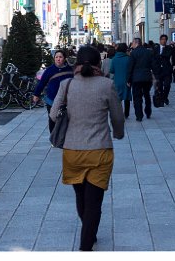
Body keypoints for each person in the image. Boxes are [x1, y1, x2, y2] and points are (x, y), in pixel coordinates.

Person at [50, 46, 124, 251]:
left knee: (81, 197)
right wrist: (118, 134)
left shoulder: (67, 84)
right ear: (98, 64)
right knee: (94, 202)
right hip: (100, 150)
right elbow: (117, 116)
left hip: (72, 151)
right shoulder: (107, 85)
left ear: (76, 63)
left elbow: (54, 114)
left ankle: (88, 232)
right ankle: (86, 245)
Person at [33, 50, 75, 131]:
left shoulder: (70, 70)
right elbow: (42, 83)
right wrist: (36, 94)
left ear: (64, 58)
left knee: (66, 121)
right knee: (53, 119)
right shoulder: (50, 70)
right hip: (51, 100)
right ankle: (53, 138)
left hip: (67, 101)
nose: (58, 59)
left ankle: (63, 139)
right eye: (56, 57)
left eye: (60, 57)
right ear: (54, 59)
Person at [127, 38, 155, 121]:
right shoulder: (149, 52)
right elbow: (153, 65)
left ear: (136, 43)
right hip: (147, 77)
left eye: (133, 43)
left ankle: (139, 115)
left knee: (137, 97)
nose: (132, 45)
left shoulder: (133, 53)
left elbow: (130, 67)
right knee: (147, 95)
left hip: (136, 78)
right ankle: (148, 111)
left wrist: (128, 80)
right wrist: (155, 76)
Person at [108, 42, 132, 118]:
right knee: (126, 97)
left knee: (118, 98)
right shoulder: (128, 59)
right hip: (126, 81)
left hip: (117, 80)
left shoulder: (114, 59)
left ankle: (119, 112)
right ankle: (126, 114)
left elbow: (111, 70)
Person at [152, 34, 174, 107]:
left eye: (165, 39)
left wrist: (160, 55)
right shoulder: (156, 48)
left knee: (167, 85)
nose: (164, 41)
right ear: (160, 40)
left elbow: (167, 55)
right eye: (162, 39)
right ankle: (161, 99)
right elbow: (153, 58)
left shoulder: (169, 48)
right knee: (160, 86)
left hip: (167, 69)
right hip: (158, 70)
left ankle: (165, 97)